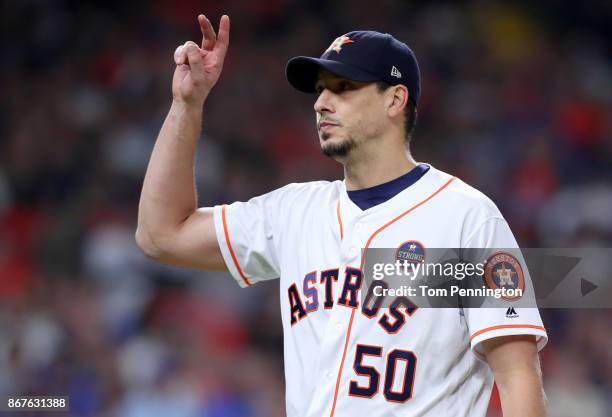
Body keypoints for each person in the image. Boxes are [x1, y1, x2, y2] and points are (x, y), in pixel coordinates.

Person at [136, 14, 548, 417]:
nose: (321, 103)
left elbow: (517, 377)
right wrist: (186, 105)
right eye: (320, 89)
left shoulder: (465, 218)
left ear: (395, 99)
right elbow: (161, 235)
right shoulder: (294, 212)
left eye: (344, 87)